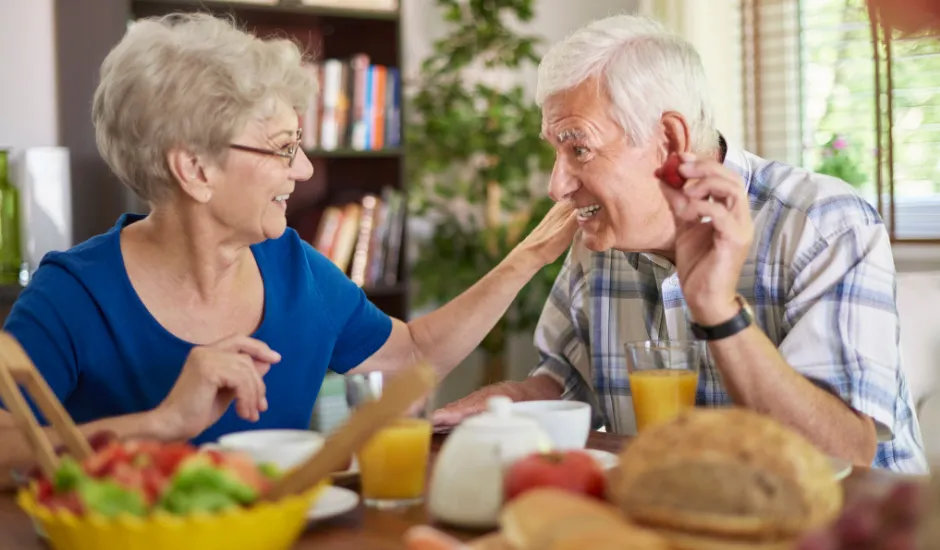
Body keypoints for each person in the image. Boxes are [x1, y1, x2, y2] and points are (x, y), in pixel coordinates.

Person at [0, 12, 577, 479]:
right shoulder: (73, 295)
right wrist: (160, 423)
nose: (302, 169)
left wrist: (526, 258)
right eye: (281, 148)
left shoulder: (294, 268)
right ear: (195, 168)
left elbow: (413, 357)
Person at [433, 13, 928, 474]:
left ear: (669, 140)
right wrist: (507, 404)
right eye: (556, 151)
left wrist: (718, 311)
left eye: (579, 148)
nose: (556, 185)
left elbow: (844, 452)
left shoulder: (821, 226)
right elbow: (563, 380)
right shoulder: (600, 240)